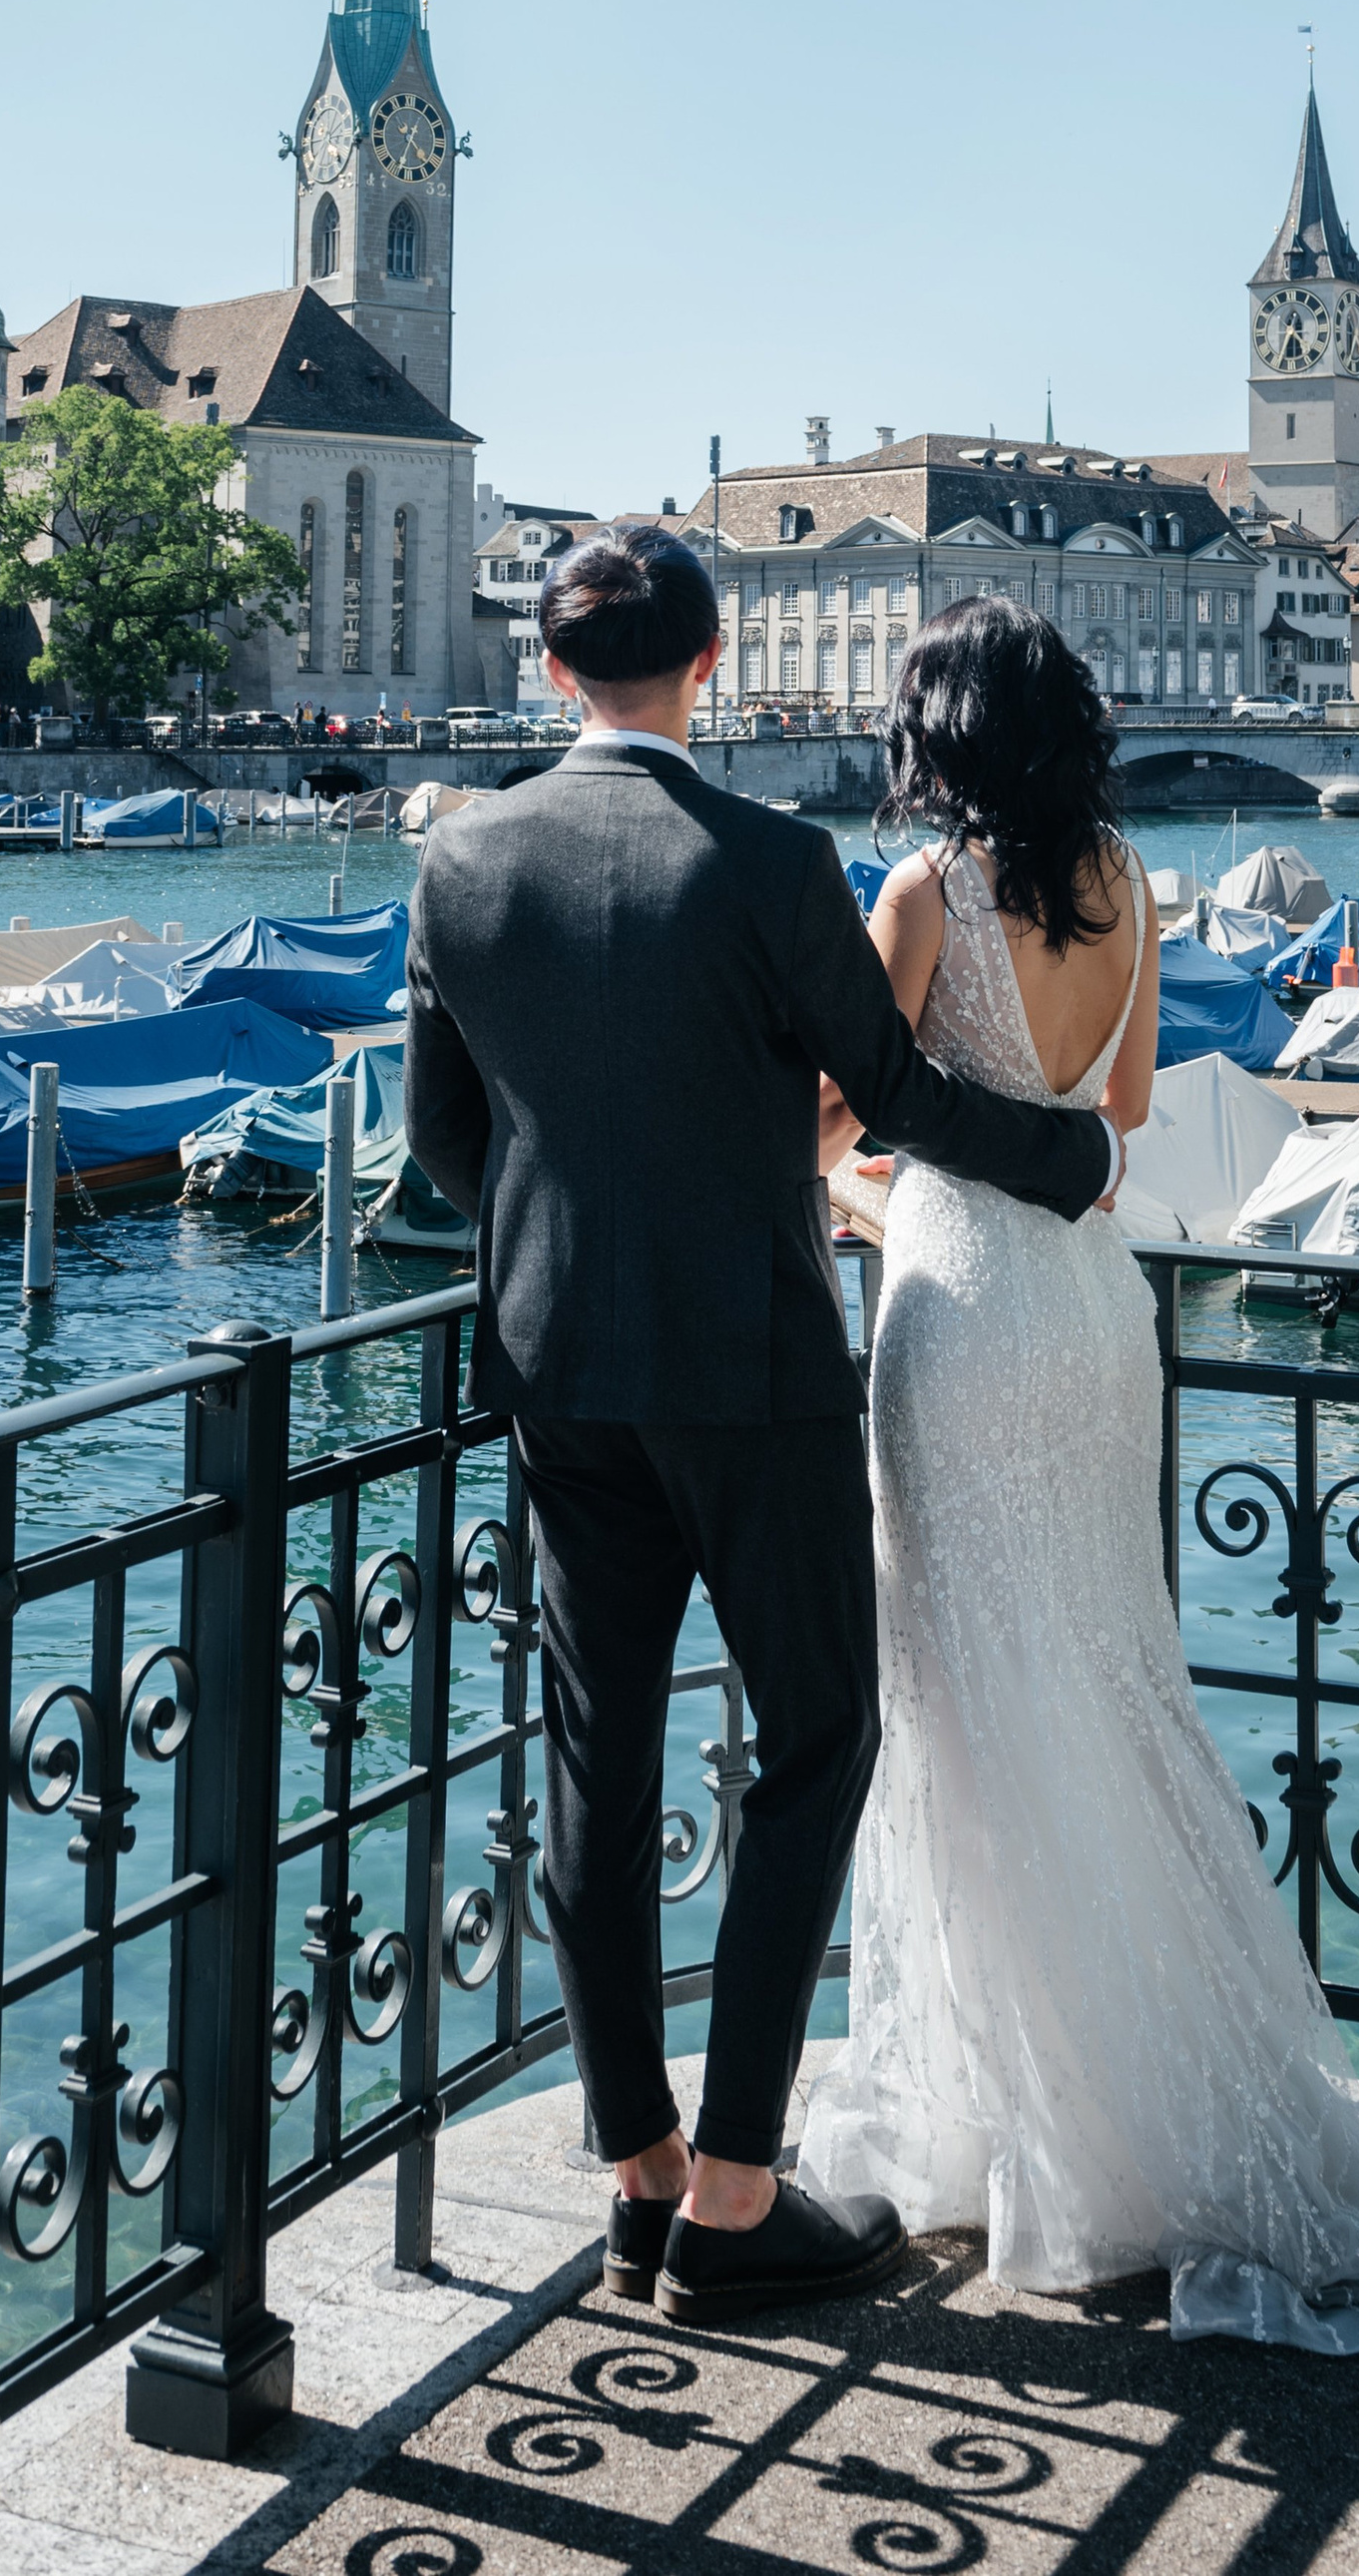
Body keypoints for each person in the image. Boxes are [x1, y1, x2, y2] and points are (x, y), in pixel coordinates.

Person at [797, 594, 1359, 2351]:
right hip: (1095, 1323)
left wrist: (841, 1185)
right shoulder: (1128, 874)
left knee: (962, 1700)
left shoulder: (924, 897)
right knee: (1106, 1686)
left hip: (956, 1313)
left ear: (943, 735)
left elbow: (838, 1115)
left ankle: (1015, 2117)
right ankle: (1167, 2094)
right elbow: (1124, 1134)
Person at [404, 527, 1122, 2326]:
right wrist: (1079, 1155)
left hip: (562, 1366)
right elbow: (891, 1097)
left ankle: (635, 2170)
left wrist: (565, 1243)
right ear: (710, 665)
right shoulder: (771, 859)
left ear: (557, 671)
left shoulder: (460, 857)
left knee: (597, 1755)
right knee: (816, 1736)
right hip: (758, 1369)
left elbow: (441, 1144)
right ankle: (736, 2186)